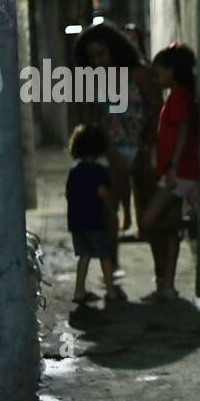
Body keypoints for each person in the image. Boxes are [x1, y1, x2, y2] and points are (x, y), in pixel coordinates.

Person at [74, 23, 161, 244]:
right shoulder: (93, 80)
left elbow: (158, 110)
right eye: (91, 57)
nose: (97, 61)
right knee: (106, 209)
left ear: (114, 48)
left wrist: (146, 147)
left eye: (101, 54)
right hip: (112, 149)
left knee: (149, 218)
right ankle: (110, 268)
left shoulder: (139, 73)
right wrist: (109, 151)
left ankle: (162, 274)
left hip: (145, 148)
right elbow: (96, 119)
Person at [139, 42, 200, 300]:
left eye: (159, 73)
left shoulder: (177, 96)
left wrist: (173, 166)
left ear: (172, 72)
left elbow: (183, 132)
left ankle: (191, 223)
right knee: (170, 229)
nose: (155, 78)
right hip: (179, 171)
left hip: (179, 173)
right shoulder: (179, 94)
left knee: (149, 221)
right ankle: (168, 287)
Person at [66, 124, 124, 305]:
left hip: (76, 221)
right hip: (94, 221)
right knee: (104, 255)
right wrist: (112, 211)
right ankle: (111, 291)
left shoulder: (74, 171)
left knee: (84, 256)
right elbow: (102, 193)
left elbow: (68, 194)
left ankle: (79, 291)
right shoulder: (99, 171)